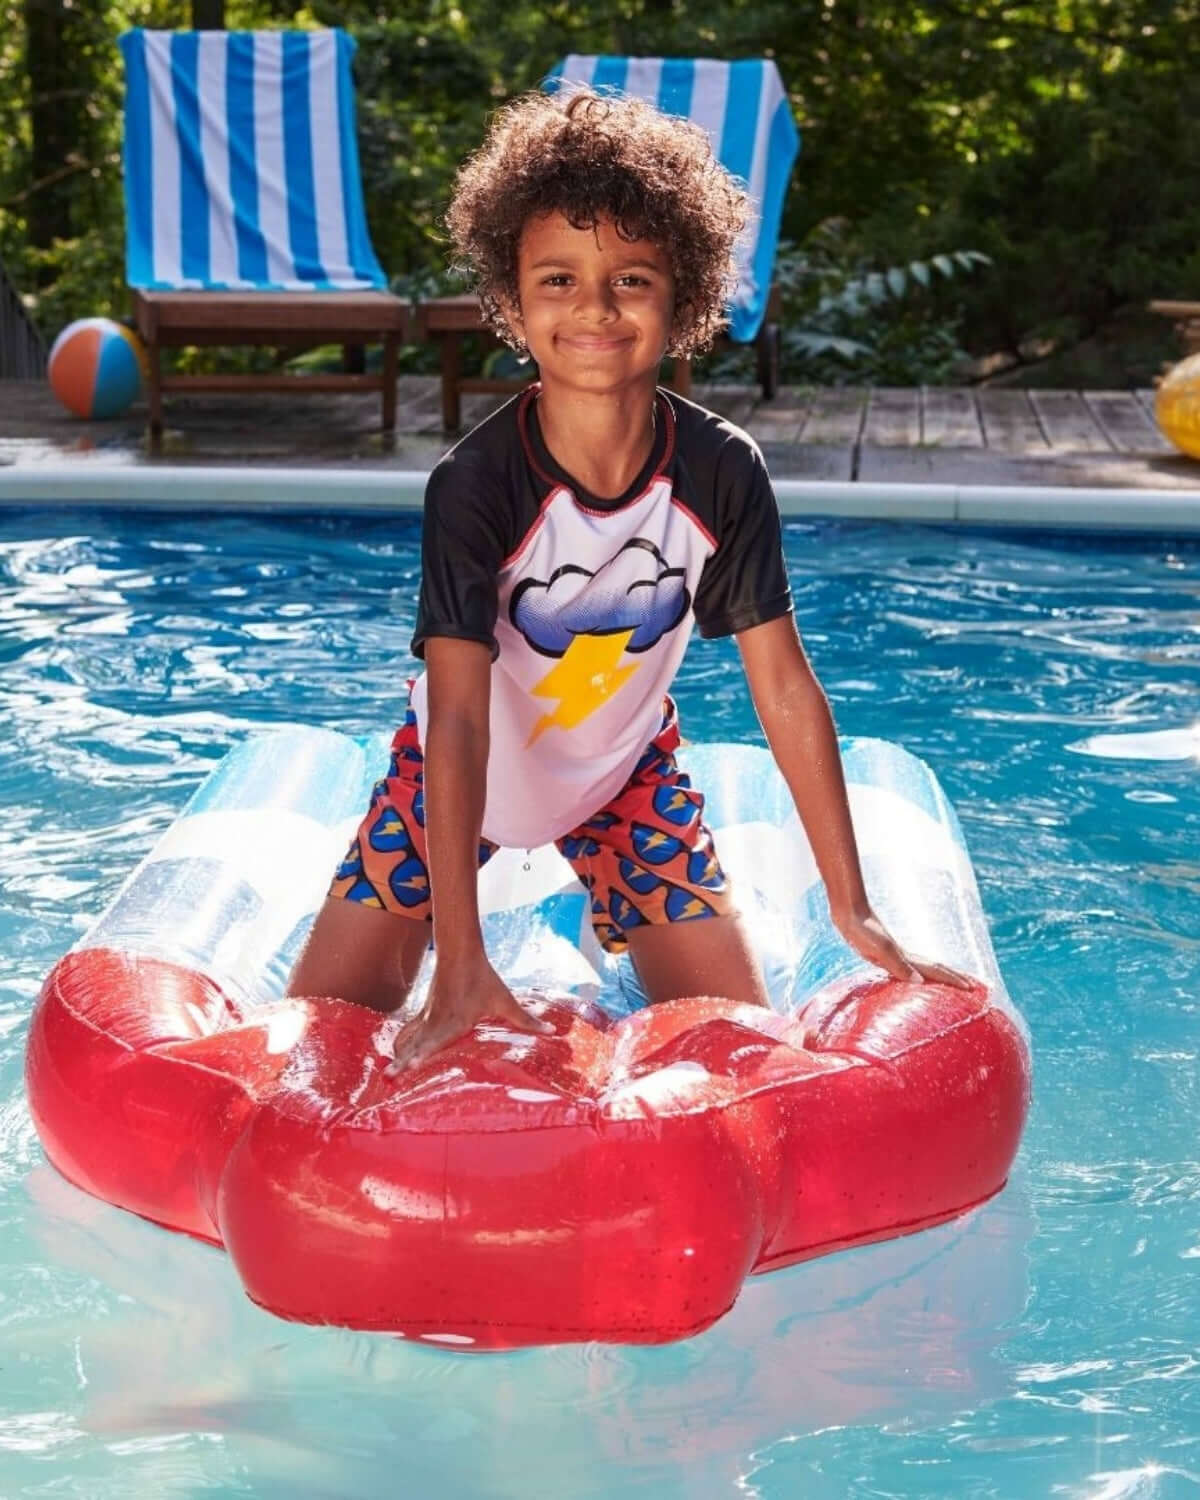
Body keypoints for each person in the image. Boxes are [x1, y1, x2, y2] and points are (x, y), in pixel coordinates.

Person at [286, 86, 973, 1072]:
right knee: (321, 1034)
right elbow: (462, 719)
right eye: (557, 279)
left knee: (737, 1044)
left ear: (682, 297)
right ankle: (499, 944)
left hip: (625, 778)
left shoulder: (719, 470)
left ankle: (600, 953)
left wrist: (853, 908)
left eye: (632, 279)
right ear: (512, 302)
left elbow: (782, 685)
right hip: (458, 787)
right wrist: (463, 960)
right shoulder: (476, 486)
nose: (595, 310)